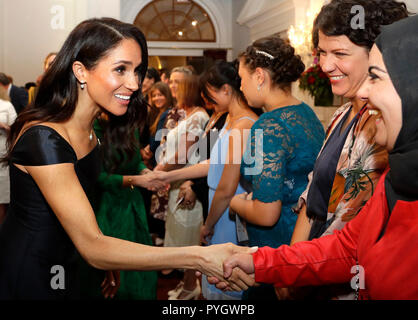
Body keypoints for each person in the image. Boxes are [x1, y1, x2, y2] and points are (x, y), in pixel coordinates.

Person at [0, 17, 254, 300]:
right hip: (35, 270)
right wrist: (199, 257)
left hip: (72, 261)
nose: (134, 83)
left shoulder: (89, 131)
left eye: (137, 71)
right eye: (120, 69)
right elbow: (92, 245)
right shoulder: (45, 139)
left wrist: (108, 259)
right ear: (81, 71)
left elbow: (88, 229)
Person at [219, 14, 418, 300]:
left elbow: (269, 209)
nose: (363, 90)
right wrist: (261, 264)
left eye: (375, 77)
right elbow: (347, 248)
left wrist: (235, 202)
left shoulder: (269, 125)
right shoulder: (394, 177)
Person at [287, 0, 410, 299]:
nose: (325, 65)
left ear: (378, 55)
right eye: (322, 53)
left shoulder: (384, 126)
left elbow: (348, 226)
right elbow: (314, 192)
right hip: (312, 263)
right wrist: (291, 261)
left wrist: (294, 270)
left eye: (340, 53)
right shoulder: (342, 114)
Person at [228, 35, 325, 300]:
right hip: (307, 241)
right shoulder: (307, 113)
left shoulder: (267, 126)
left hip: (277, 252)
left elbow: (265, 213)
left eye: (242, 78)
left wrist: (236, 203)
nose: (242, 86)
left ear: (259, 76)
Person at [78, 113, 164, 299]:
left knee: (139, 266)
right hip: (104, 207)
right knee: (112, 270)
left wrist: (145, 171)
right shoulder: (90, 129)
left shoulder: (129, 125)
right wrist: (137, 180)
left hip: (132, 203)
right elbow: (96, 178)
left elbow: (135, 158)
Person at [154, 74, 209, 300]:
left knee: (188, 239)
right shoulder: (186, 114)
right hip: (176, 180)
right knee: (179, 234)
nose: (172, 87)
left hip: (188, 182)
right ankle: (186, 283)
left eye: (178, 83)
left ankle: (190, 286)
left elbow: (184, 154)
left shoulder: (199, 116)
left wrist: (159, 172)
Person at [0, 87, 17, 225]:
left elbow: (16, 129)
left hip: (2, 152)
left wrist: (3, 126)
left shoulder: (6, 105)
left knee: (3, 192)